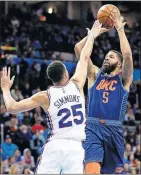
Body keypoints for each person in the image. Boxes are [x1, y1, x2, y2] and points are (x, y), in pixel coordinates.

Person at [1, 20, 103, 174]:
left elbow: (11, 107)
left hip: (55, 146)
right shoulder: (76, 84)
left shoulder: (45, 96)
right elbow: (84, 56)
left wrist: (5, 89)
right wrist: (92, 36)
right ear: (67, 73)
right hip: (76, 148)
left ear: (51, 79)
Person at [74, 12, 133, 174]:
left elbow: (127, 55)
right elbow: (78, 49)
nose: (107, 58)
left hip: (114, 129)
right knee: (91, 169)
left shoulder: (124, 80)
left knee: (113, 172)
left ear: (119, 65)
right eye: (106, 56)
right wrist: (92, 35)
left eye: (112, 57)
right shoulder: (94, 75)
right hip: (92, 127)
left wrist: (120, 29)